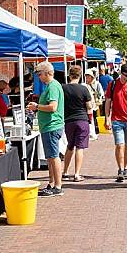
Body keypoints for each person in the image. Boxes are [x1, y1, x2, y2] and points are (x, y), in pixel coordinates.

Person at [27, 62, 65, 197]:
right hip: (49, 126)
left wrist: (37, 106)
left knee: (54, 156)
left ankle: (58, 185)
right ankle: (52, 183)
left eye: (40, 73)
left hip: (51, 125)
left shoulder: (53, 86)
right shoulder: (51, 86)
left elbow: (53, 107)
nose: (39, 76)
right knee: (50, 156)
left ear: (47, 73)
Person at [104, 63, 127, 182]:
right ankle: (120, 169)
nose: (126, 78)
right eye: (125, 76)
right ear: (121, 73)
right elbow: (108, 101)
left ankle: (125, 167)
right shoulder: (113, 84)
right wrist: (107, 118)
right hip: (117, 120)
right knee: (119, 145)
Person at [62, 65, 93, 182]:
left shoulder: (63, 88)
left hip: (69, 120)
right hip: (82, 119)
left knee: (70, 146)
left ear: (69, 75)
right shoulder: (84, 89)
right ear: (80, 76)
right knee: (80, 147)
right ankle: (77, 174)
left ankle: (65, 172)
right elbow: (89, 106)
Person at [85, 69, 104, 138]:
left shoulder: (97, 84)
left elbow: (101, 94)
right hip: (89, 104)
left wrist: (96, 96)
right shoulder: (85, 85)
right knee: (90, 118)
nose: (87, 78)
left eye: (88, 76)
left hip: (95, 104)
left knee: (95, 117)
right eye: (86, 76)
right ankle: (91, 132)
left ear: (91, 77)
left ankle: (96, 131)